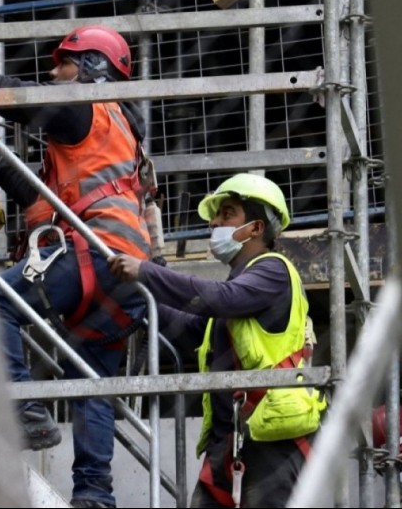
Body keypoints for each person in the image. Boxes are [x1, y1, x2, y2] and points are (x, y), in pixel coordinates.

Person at [0, 25, 151, 509]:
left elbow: (17, 100)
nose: (54, 73)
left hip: (97, 252)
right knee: (93, 385)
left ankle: (23, 409)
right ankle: (95, 495)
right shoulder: (117, 130)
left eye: (64, 64)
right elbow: (50, 202)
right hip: (128, 271)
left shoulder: (85, 108)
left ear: (93, 67)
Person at [108, 173, 328, 508]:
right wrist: (140, 297)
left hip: (272, 437)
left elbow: (221, 298)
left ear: (256, 228)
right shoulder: (237, 286)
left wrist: (147, 272)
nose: (215, 223)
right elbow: (195, 329)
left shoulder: (274, 271)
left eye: (227, 214)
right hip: (231, 438)